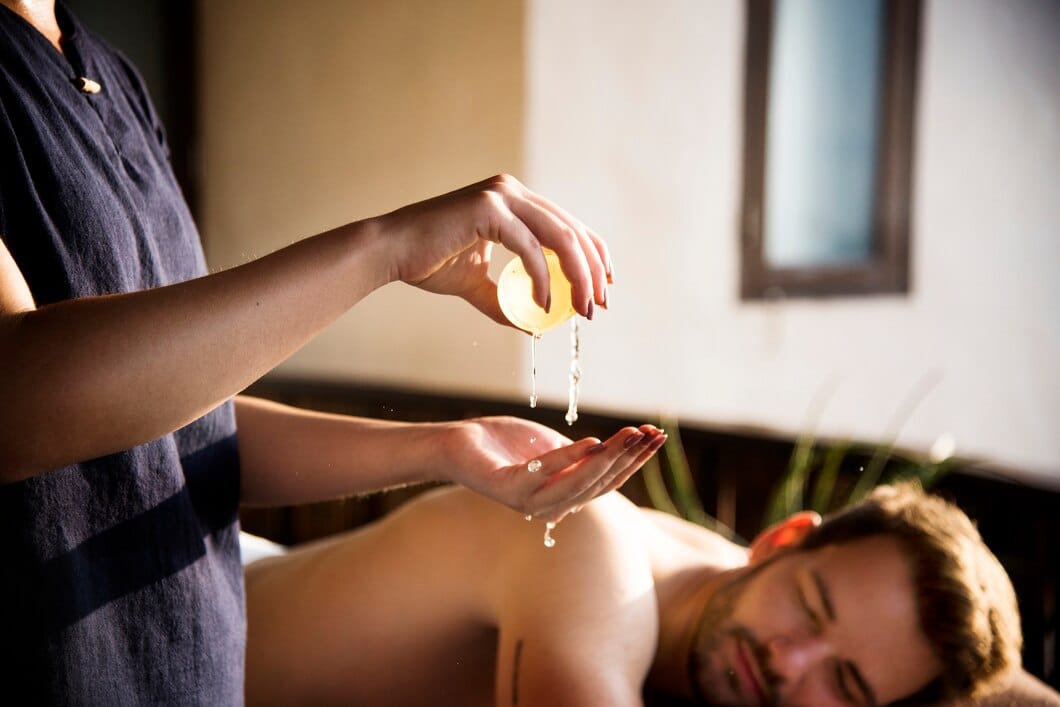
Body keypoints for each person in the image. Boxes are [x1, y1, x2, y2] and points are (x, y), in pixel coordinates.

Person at [0, 1, 663, 702]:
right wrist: (384, 248)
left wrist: (449, 448)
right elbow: (15, 397)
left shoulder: (113, 78)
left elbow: (185, 439)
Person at [242, 482, 1026, 707]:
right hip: (160, 635)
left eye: (846, 683)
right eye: (812, 607)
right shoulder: (594, 552)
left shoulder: (735, 616)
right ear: (782, 539)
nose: (790, 661)